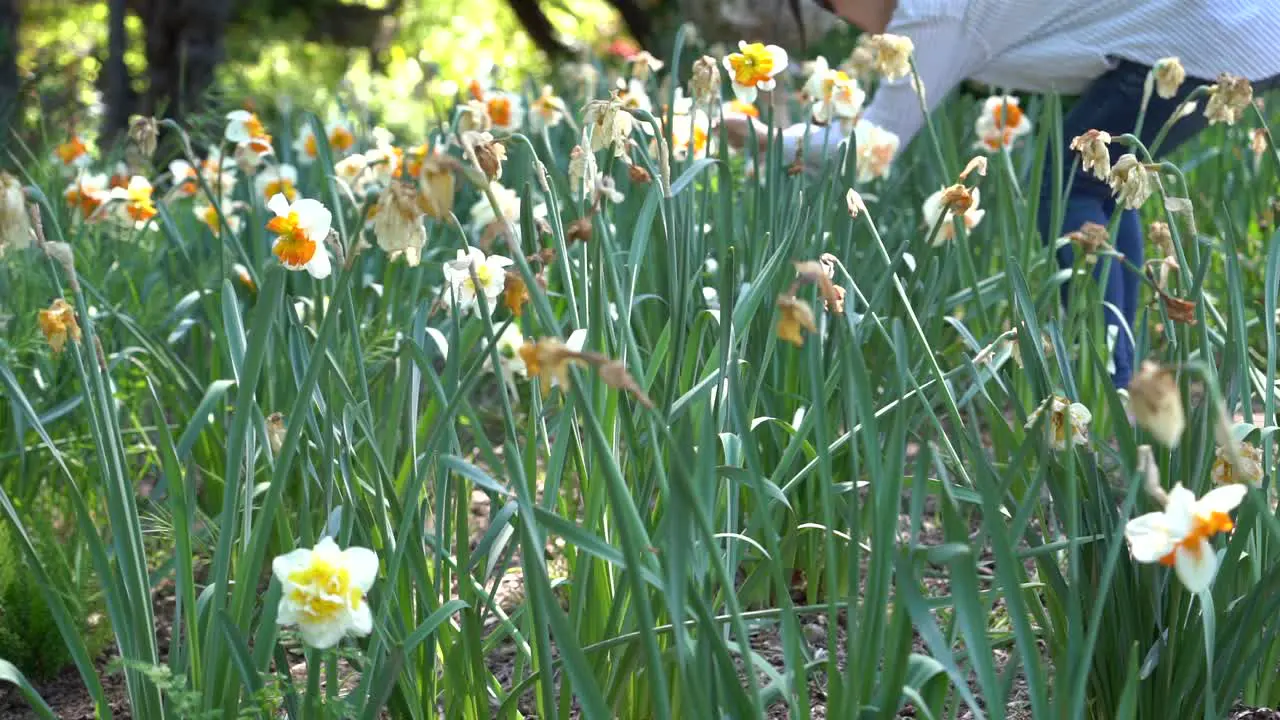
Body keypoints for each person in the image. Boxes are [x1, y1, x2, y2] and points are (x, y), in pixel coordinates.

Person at [724, 0, 1280, 388]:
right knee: (1092, 189)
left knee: (1070, 192)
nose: (845, 18)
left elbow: (878, 140)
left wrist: (765, 138)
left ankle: (1111, 380)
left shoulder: (930, 11)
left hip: (1208, 33)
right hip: (1236, 22)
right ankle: (1119, 373)